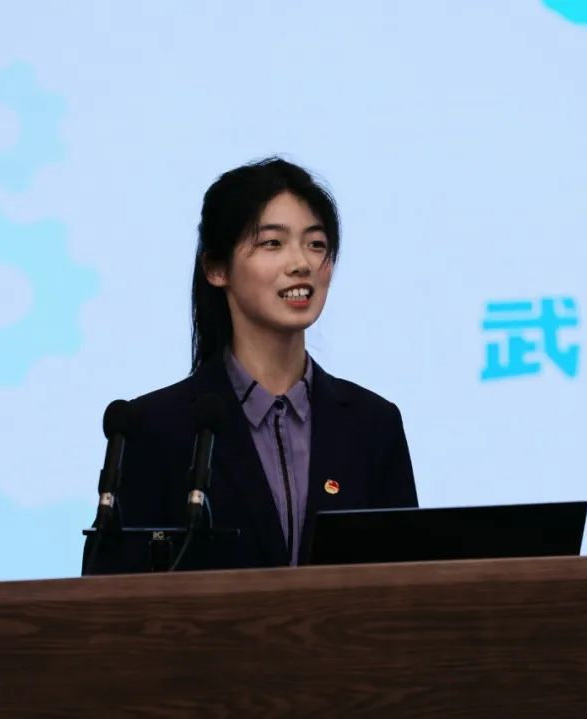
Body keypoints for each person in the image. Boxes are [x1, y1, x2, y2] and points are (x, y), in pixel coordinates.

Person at [93, 157, 417, 573]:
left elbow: (409, 583)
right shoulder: (155, 428)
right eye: (272, 243)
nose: (301, 263)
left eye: (316, 244)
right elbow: (111, 589)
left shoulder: (373, 425)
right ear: (216, 268)